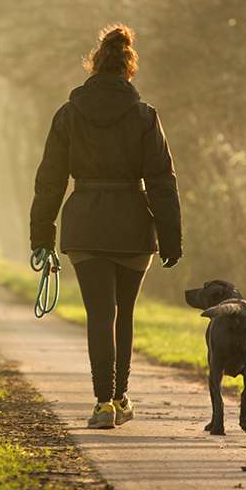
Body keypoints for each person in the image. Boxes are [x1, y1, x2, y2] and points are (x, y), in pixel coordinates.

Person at [29, 24, 182, 429]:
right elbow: (162, 179)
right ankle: (120, 396)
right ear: (129, 69)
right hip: (133, 224)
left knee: (100, 313)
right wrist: (171, 237)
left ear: (94, 66)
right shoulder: (145, 116)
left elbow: (50, 180)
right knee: (124, 314)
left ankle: (103, 404)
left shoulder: (68, 115)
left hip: (85, 224)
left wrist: (41, 234)